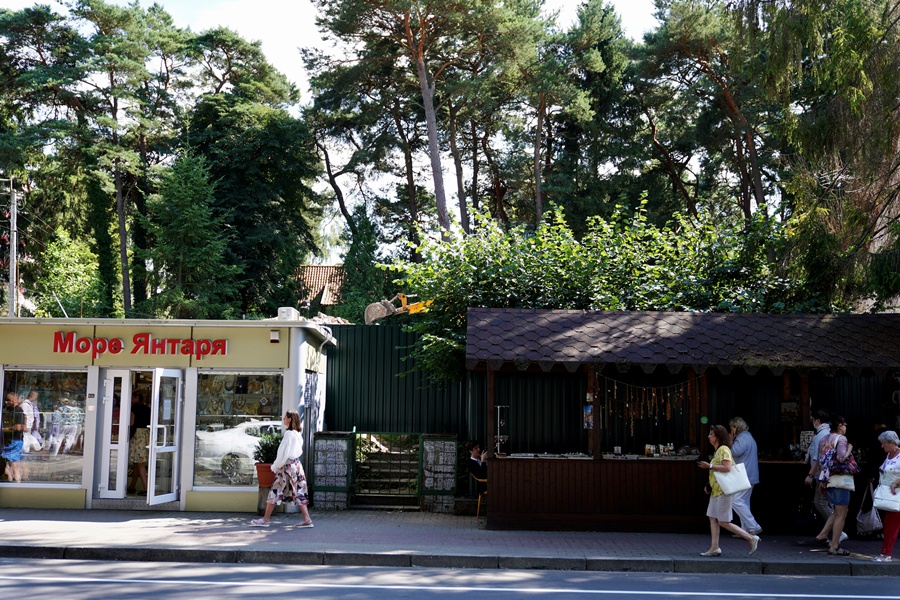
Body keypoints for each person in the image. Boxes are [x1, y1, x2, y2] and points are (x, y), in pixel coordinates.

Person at [697, 424, 760, 557]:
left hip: (724, 491)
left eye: (711, 434)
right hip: (716, 490)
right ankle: (714, 547)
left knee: (723, 521)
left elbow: (727, 468)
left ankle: (750, 537)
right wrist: (709, 485)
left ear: (718, 436)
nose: (708, 437)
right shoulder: (718, 450)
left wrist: (710, 466)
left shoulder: (724, 449)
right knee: (712, 518)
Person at [251, 410, 313, 528]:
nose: (283, 419)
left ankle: (265, 519)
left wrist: (275, 465)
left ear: (289, 419)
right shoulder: (297, 434)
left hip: (286, 466)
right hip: (296, 465)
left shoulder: (288, 434)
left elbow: (282, 453)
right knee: (299, 491)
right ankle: (307, 519)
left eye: (285, 417)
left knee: (275, 490)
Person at [814, 415, 855, 556]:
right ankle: (835, 546)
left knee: (838, 511)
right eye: (845, 425)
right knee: (841, 513)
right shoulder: (841, 439)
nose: (846, 427)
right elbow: (841, 458)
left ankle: (823, 534)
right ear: (840, 426)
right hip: (839, 479)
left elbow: (820, 460)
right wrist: (849, 449)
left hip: (826, 479)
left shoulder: (824, 439)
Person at [805, 409, 846, 545]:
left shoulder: (823, 437)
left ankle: (837, 533)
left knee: (826, 504)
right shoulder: (833, 437)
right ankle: (833, 534)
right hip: (831, 475)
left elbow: (818, 459)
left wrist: (811, 474)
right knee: (833, 505)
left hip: (825, 475)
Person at [729, 417, 762, 535]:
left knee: (735, 500)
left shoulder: (742, 438)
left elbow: (734, 452)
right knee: (744, 502)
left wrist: (730, 441)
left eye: (731, 427)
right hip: (749, 474)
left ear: (736, 427)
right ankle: (746, 530)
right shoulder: (748, 437)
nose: (730, 430)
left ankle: (754, 526)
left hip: (744, 475)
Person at [873, 430, 900, 562]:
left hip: (897, 496)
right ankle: (885, 554)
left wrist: (897, 482)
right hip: (890, 496)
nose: (882, 446)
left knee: (891, 526)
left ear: (892, 443)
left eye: (884, 443)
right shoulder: (889, 455)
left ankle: (886, 554)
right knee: (889, 525)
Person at [128, 393, 151, 495]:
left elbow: (131, 422)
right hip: (146, 434)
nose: (131, 399)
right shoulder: (148, 408)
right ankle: (132, 485)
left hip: (137, 435)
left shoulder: (134, 408)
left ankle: (146, 488)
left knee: (139, 462)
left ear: (137, 397)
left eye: (133, 397)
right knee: (137, 462)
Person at [1, 392, 25, 482]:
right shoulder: (8, 409)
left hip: (15, 440)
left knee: (14, 464)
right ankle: (10, 478)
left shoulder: (18, 411)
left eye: (9, 400)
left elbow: (18, 427)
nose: (7, 402)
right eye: (6, 400)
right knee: (6, 463)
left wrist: (5, 429)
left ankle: (16, 482)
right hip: (7, 440)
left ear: (15, 400)